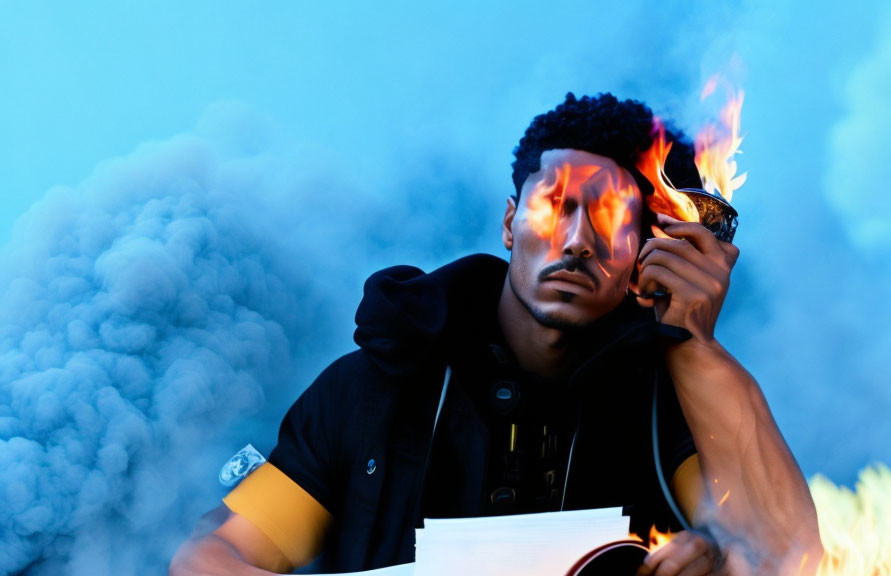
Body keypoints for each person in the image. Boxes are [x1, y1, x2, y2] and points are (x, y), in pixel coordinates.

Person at [171, 93, 822, 575]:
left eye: (611, 217)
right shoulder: (373, 389)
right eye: (555, 205)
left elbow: (786, 556)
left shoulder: (666, 400)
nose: (576, 241)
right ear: (511, 222)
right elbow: (214, 555)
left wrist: (696, 347)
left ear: (644, 252)